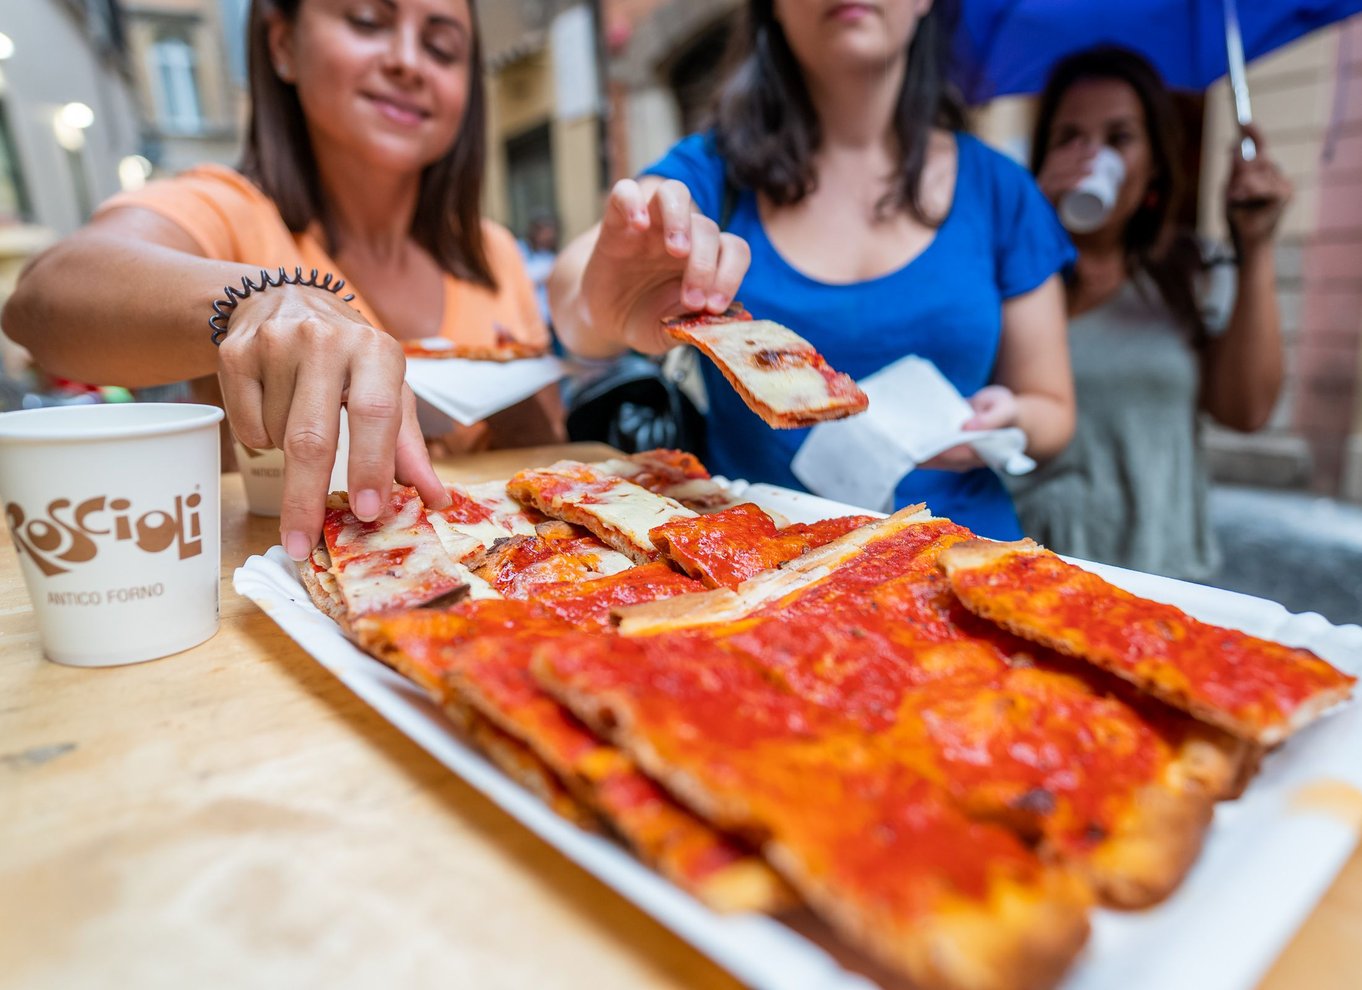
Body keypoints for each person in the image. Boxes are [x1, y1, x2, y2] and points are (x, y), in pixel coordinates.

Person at [2, 0, 562, 562]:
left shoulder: (492, 252)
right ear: (282, 45)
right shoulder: (226, 210)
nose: (408, 62)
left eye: (442, 48)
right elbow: (42, 300)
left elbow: (551, 456)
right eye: (367, 21)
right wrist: (259, 302)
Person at [548, 0, 1076, 538]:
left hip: (974, 560)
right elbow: (583, 282)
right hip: (761, 565)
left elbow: (1052, 406)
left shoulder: (1001, 190)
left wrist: (1011, 422)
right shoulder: (713, 173)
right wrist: (601, 303)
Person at [1010, 46, 1292, 580]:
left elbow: (1246, 411)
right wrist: (1029, 212)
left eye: (1118, 138)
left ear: (1156, 166)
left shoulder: (1190, 270)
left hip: (1166, 568)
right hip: (1032, 565)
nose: (1091, 156)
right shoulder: (1011, 275)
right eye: (1070, 137)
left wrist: (1256, 246)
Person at [518, 213, 559, 326]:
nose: (548, 237)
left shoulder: (551, 256)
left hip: (550, 318)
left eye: (551, 233)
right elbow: (519, 279)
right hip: (527, 318)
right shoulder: (519, 249)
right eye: (545, 232)